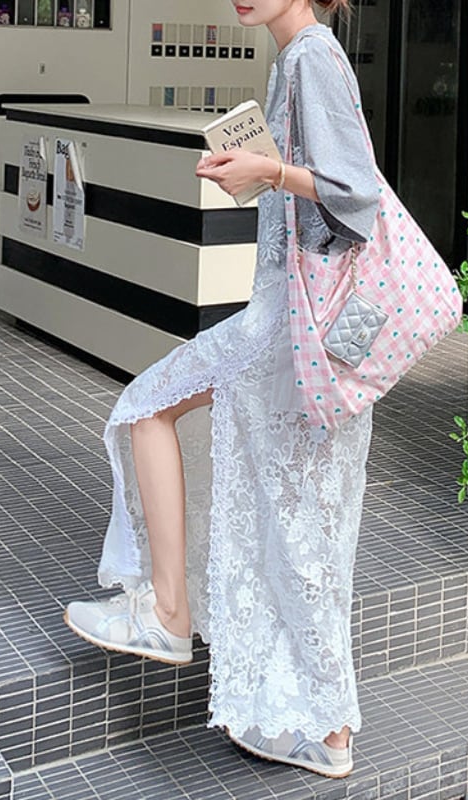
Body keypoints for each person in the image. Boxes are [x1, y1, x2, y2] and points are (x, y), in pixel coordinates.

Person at [64, 0, 379, 779]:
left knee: (149, 409)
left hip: (289, 325)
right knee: (301, 529)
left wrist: (267, 171)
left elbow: (357, 195)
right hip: (296, 327)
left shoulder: (310, 57)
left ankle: (171, 614)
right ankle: (328, 732)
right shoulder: (299, 57)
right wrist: (260, 176)